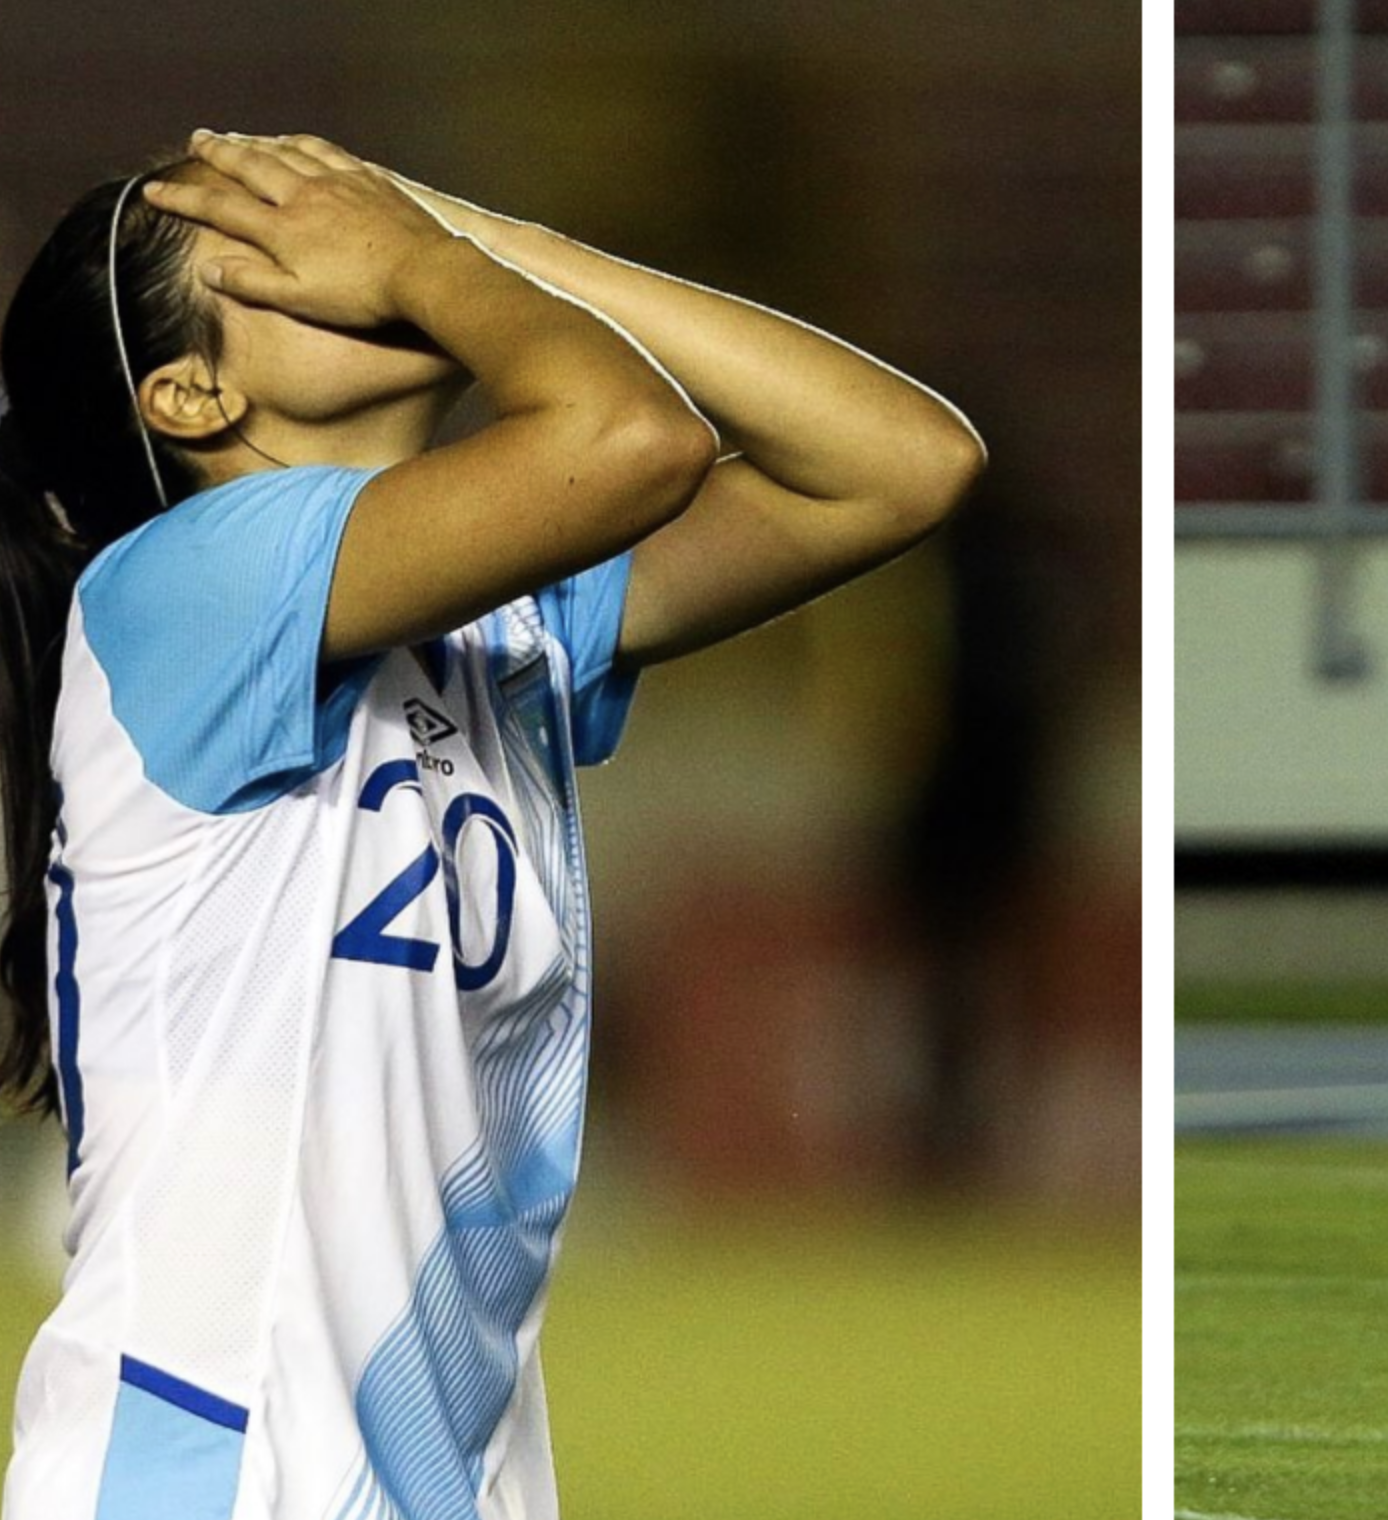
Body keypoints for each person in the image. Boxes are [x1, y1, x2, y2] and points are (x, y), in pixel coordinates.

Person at [0, 130, 982, 1518]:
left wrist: (467, 242)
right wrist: (426, 259)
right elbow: (636, 440)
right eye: (273, 246)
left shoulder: (498, 614)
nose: (342, 232)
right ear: (188, 394)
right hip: (215, 1466)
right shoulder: (187, 581)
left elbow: (899, 463)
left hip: (449, 1474)